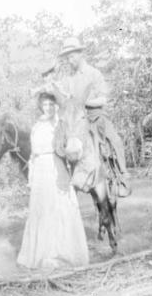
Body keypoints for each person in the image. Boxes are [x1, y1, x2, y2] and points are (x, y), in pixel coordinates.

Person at [44, 37, 130, 196]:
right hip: (75, 121)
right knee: (56, 142)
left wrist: (85, 102)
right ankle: (61, 182)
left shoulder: (94, 74)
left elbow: (103, 99)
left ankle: (122, 177)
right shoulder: (67, 79)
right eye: (66, 58)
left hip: (95, 116)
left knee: (115, 140)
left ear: (79, 54)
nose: (68, 61)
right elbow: (62, 96)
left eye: (71, 57)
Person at [17, 92, 89, 269]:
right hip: (40, 169)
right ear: (40, 106)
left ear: (56, 106)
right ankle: (40, 255)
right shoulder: (37, 126)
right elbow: (33, 154)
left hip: (55, 166)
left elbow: (70, 142)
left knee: (58, 207)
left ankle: (60, 254)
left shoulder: (59, 123)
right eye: (45, 104)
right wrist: (31, 176)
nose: (48, 107)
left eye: (51, 104)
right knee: (41, 209)